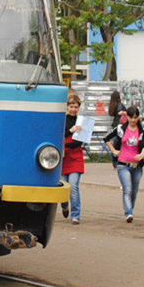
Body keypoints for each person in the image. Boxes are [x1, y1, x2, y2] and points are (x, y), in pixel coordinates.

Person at [105, 104, 144, 222]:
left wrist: (142, 155)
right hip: (123, 164)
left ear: (138, 117)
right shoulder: (121, 129)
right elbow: (106, 138)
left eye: (135, 117)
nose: (133, 120)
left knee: (134, 191)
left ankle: (130, 210)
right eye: (131, 117)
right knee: (127, 189)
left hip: (137, 166)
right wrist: (114, 150)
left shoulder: (140, 130)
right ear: (127, 117)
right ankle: (128, 212)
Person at [60, 93, 85, 224]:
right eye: (71, 106)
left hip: (76, 158)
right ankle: (64, 205)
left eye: (76, 107)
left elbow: (79, 142)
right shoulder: (62, 120)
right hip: (63, 159)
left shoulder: (81, 121)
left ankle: (76, 215)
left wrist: (64, 145)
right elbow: (59, 135)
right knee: (63, 187)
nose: (73, 109)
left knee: (74, 186)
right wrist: (71, 131)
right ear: (67, 107)